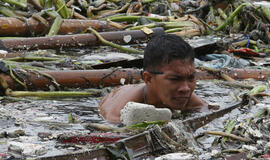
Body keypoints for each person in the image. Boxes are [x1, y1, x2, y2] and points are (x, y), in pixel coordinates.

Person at [99, 34, 207, 123]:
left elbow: (207, 112)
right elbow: (113, 126)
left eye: (191, 78)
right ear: (148, 78)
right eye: (175, 79)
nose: (185, 88)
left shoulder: (185, 96)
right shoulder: (121, 111)